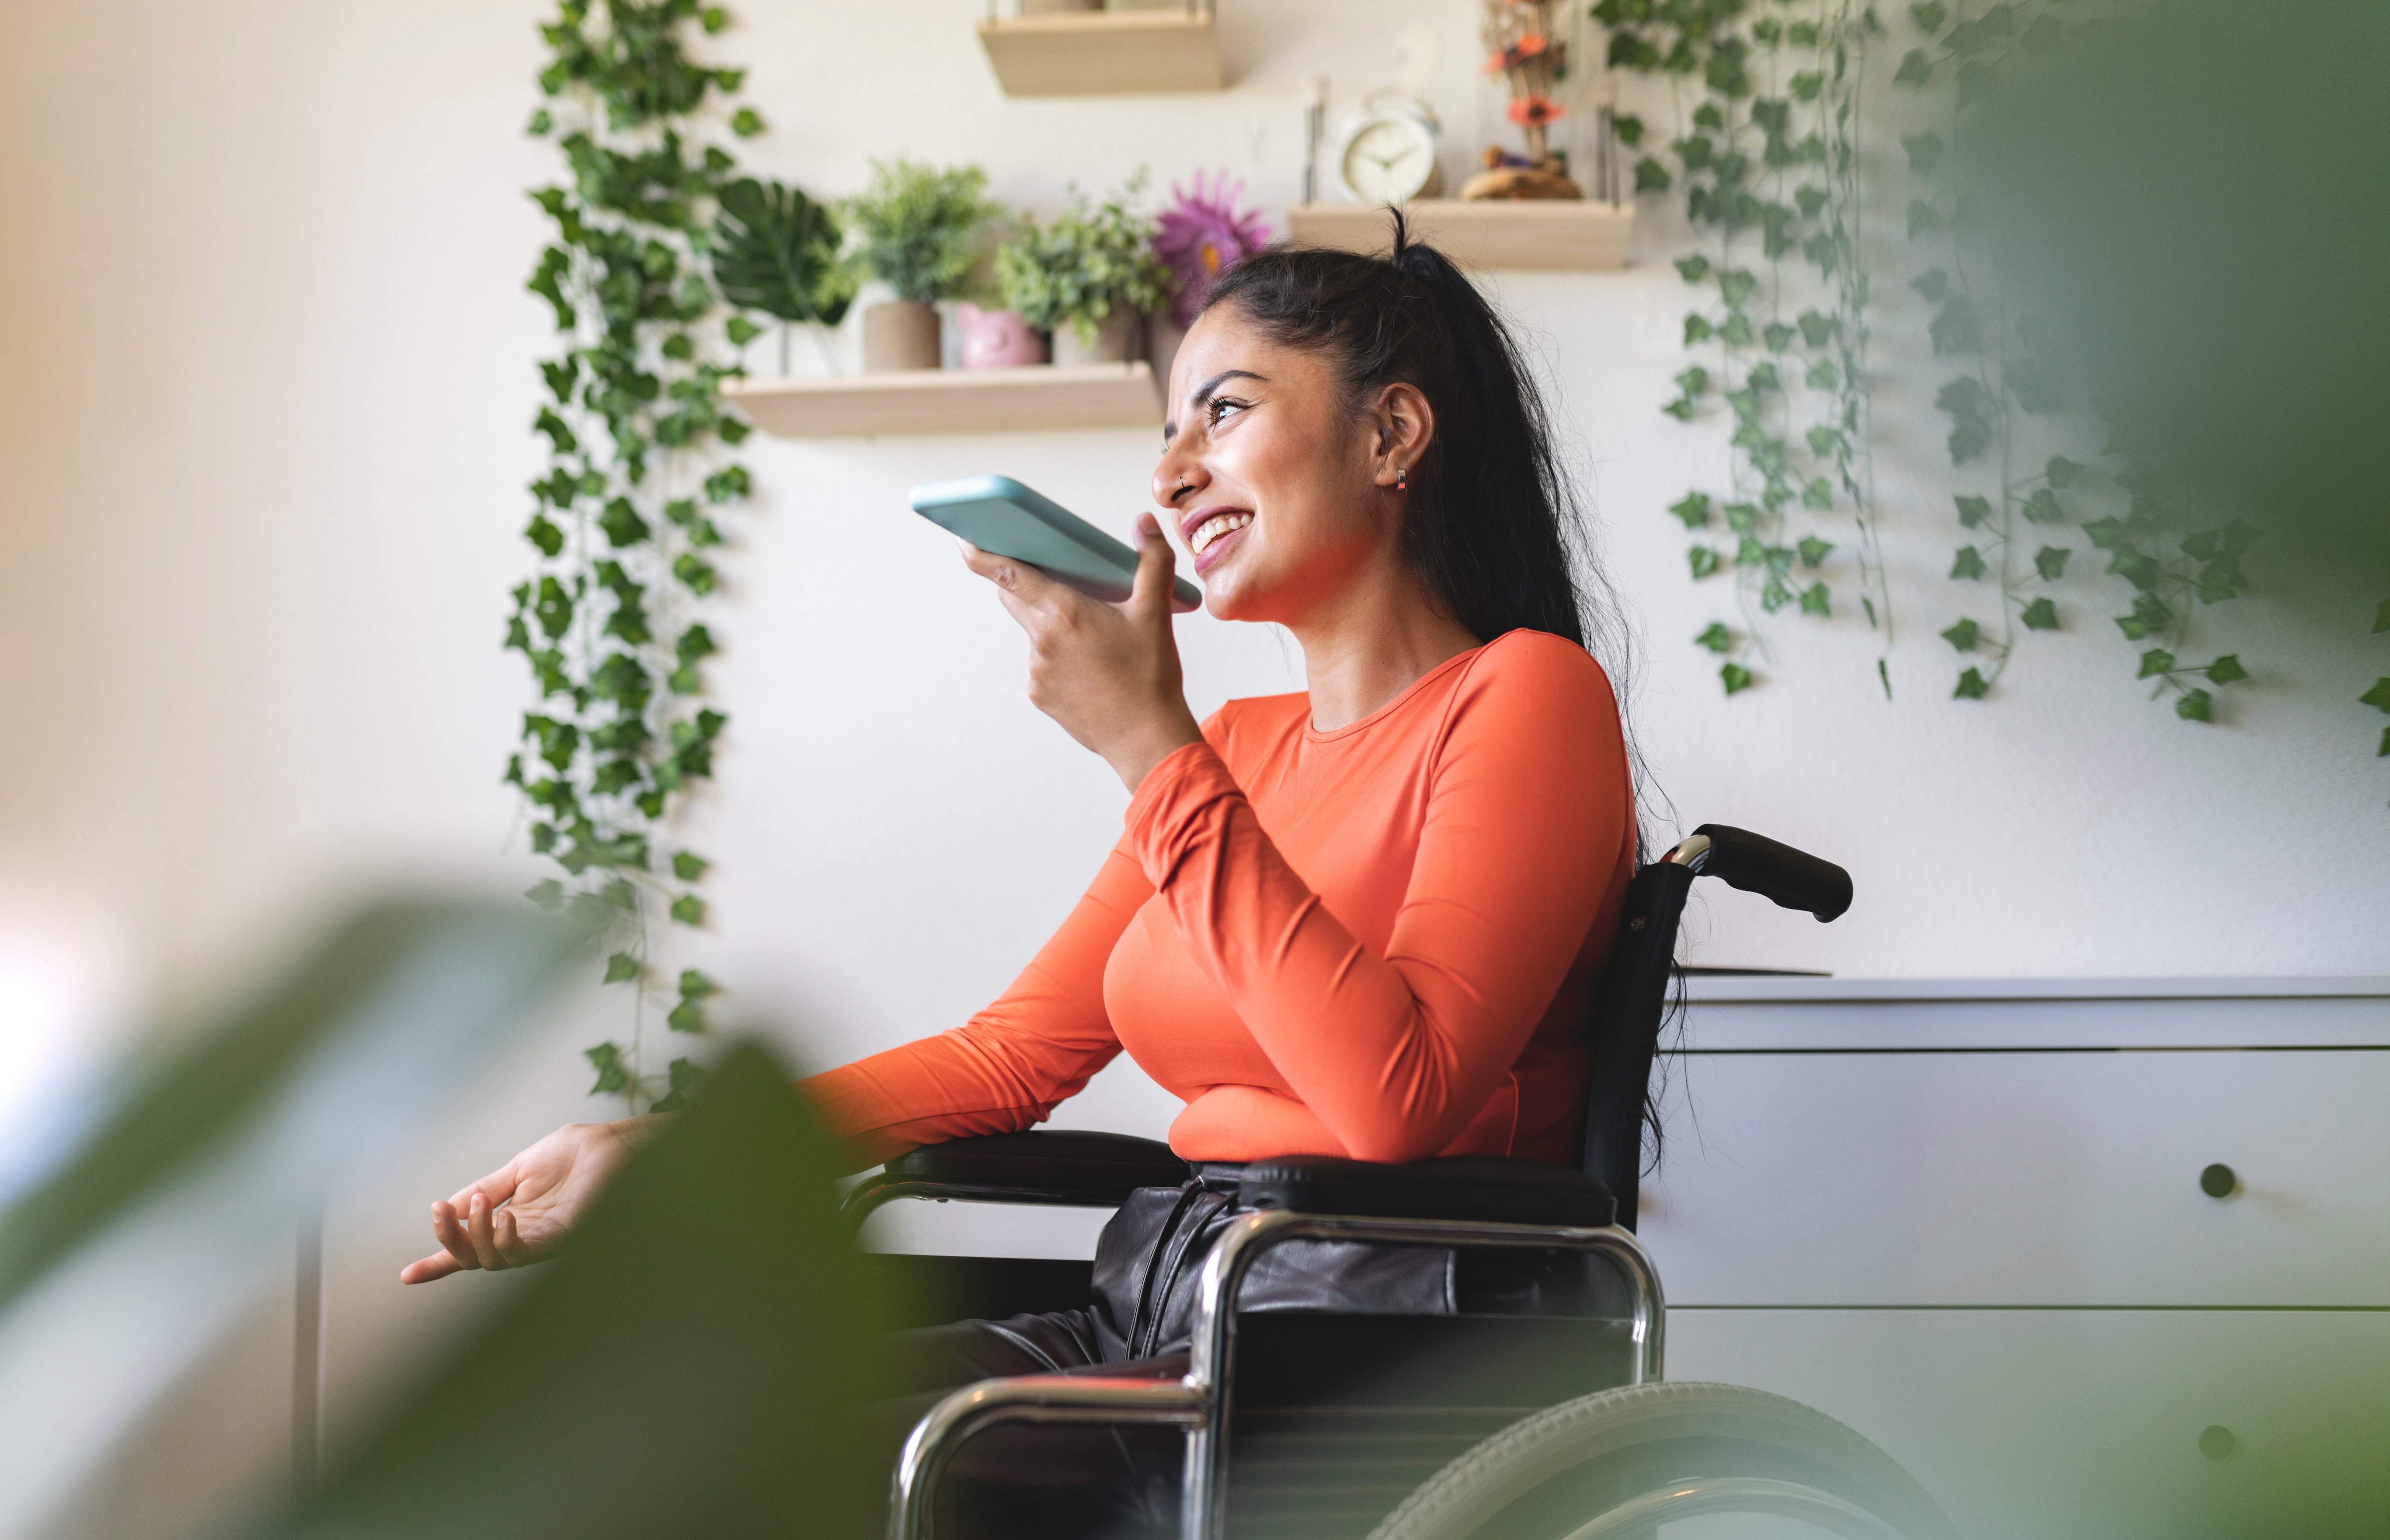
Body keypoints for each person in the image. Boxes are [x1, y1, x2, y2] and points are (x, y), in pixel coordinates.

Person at [403, 219, 1641, 1530]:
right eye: (1170, 432)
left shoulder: (1525, 699)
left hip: (1362, 1347)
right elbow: (1012, 1058)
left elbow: (1397, 1103)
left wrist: (1146, 744)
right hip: (1160, 1300)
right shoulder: (1241, 749)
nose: (1172, 475)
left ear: (1392, 436)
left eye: (1220, 415)